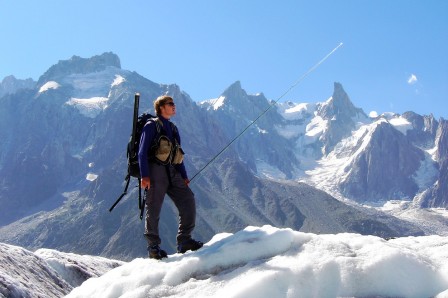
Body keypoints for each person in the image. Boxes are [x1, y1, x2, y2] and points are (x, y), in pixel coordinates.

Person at [138, 95, 203, 259]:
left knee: (188, 199)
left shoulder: (173, 128)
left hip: (172, 171)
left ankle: (184, 240)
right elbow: (142, 152)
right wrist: (144, 175)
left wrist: (184, 176)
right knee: (153, 208)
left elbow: (178, 155)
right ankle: (153, 247)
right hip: (155, 171)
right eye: (170, 104)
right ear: (161, 107)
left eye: (173, 104)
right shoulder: (150, 126)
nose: (174, 106)